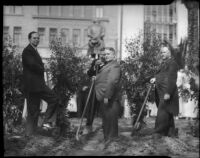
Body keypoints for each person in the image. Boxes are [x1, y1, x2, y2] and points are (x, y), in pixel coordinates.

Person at [22, 31, 60, 136]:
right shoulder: (27, 51)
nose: (36, 40)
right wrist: (44, 67)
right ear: (29, 39)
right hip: (32, 87)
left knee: (54, 99)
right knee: (33, 112)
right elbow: (32, 65)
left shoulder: (34, 50)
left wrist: (43, 66)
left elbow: (35, 64)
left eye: (38, 38)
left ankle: (46, 122)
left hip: (38, 85)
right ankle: (30, 135)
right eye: (34, 38)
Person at [150, 45, 179, 138]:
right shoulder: (164, 63)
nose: (162, 54)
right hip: (161, 91)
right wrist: (155, 78)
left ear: (169, 53)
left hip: (167, 91)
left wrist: (168, 93)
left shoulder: (172, 63)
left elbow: (172, 79)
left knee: (162, 111)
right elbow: (163, 75)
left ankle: (158, 132)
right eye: (161, 52)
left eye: (164, 52)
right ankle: (171, 131)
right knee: (168, 111)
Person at [95, 47, 121, 141]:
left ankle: (112, 143)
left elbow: (112, 82)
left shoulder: (115, 66)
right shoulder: (107, 65)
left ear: (114, 55)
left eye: (108, 54)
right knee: (106, 121)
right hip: (104, 97)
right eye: (105, 54)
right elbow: (104, 78)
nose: (106, 56)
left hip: (110, 98)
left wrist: (107, 96)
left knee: (111, 121)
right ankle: (108, 141)